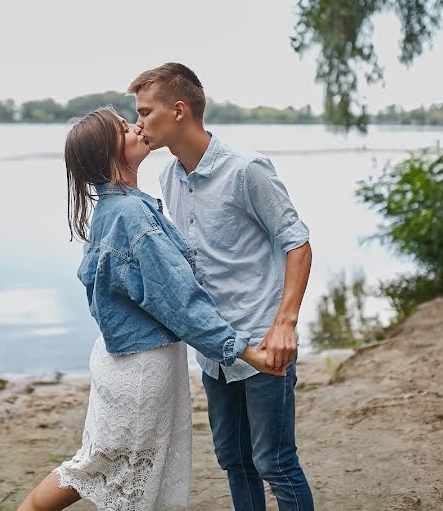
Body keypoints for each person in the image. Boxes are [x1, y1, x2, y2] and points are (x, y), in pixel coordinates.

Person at [17, 106, 280, 511]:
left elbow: (110, 291)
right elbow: (181, 301)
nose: (137, 126)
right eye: (124, 128)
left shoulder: (113, 210)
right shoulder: (131, 215)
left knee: (116, 467)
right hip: (141, 368)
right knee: (111, 470)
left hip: (120, 359)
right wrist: (242, 350)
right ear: (109, 154)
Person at [130, 63, 315, 510]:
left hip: (263, 342)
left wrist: (285, 323)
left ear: (178, 111)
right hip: (216, 348)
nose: (138, 124)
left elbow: (298, 243)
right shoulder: (168, 178)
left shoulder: (246, 169)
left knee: (274, 461)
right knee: (234, 459)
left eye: (144, 112)